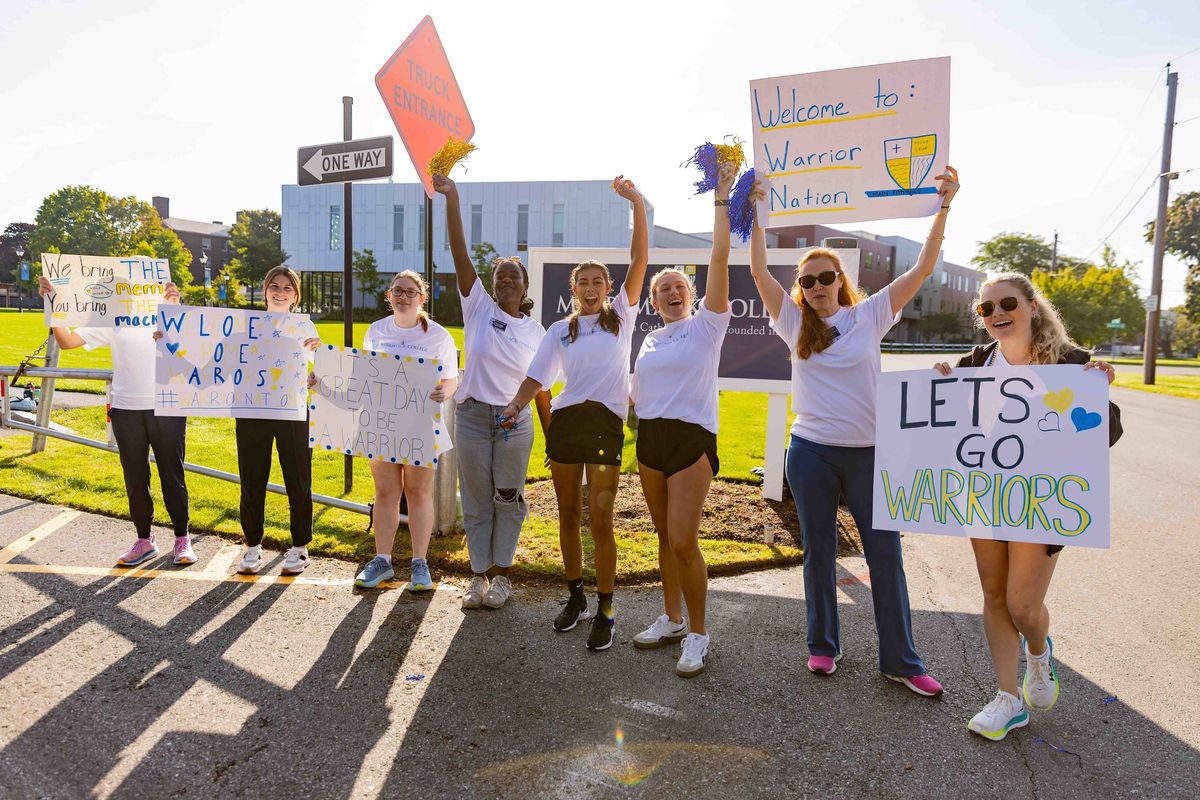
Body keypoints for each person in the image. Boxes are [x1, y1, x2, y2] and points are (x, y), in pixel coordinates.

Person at [748, 166, 960, 697]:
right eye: (807, 281)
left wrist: (944, 207)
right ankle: (823, 645)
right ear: (801, 288)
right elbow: (756, 273)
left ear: (841, 280)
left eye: (826, 278)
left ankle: (903, 661)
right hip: (811, 452)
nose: (817, 287)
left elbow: (925, 265)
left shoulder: (871, 314)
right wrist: (753, 211)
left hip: (870, 454)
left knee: (884, 555)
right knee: (818, 551)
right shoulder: (792, 323)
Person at [934, 272, 1122, 740]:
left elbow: (1104, 432)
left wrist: (1098, 392)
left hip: (1039, 499)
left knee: (1023, 603)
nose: (997, 314)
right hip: (982, 495)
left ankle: (1038, 652)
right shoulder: (975, 363)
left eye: (1007, 304)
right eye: (987, 308)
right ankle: (1007, 699)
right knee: (994, 595)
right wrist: (938, 383)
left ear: (1032, 306)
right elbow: (942, 421)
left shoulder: (1070, 364)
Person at [499, 175, 649, 651]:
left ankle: (606, 607)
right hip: (565, 424)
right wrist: (515, 404)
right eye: (582, 281)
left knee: (600, 518)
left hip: (604, 423)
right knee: (567, 513)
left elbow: (640, 259)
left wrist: (638, 206)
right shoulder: (560, 330)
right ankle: (576, 597)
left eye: (597, 281)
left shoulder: (620, 316)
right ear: (573, 287)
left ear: (608, 287)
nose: (589, 287)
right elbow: (537, 378)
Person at [629, 161, 735, 677]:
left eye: (678, 286)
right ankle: (670, 618)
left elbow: (719, 256)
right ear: (653, 302)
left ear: (690, 295)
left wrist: (721, 198)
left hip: (691, 439)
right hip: (649, 438)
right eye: (662, 288)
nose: (672, 291)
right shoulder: (649, 338)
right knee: (660, 535)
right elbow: (639, 389)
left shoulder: (706, 327)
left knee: (682, 539)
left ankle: (698, 632)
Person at [433, 173, 552, 610]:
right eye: (499, 277)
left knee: (508, 496)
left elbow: (540, 389)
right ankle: (477, 577)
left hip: (513, 424)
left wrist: (551, 436)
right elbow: (459, 250)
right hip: (471, 418)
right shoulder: (478, 306)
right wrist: (453, 197)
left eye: (512, 279)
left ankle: (503, 575)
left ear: (524, 287)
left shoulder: (537, 332)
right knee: (478, 498)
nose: (505, 283)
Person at [38, 274, 192, 566]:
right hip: (126, 408)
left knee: (172, 475)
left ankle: (182, 539)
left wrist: (175, 306)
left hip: (167, 407)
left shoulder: (165, 312)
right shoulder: (111, 319)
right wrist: (51, 302)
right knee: (135, 478)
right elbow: (68, 340)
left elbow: (189, 347)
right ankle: (144, 540)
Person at [353, 270, 459, 590]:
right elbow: (366, 376)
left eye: (410, 292)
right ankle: (382, 561)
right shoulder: (375, 331)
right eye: (398, 291)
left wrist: (446, 392)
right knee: (386, 492)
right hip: (382, 423)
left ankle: (419, 564)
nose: (403, 296)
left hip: (421, 424)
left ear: (422, 298)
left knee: (418, 491)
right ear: (389, 296)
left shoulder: (438, 336)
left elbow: (451, 380)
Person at [233, 267, 321, 576]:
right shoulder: (246, 325)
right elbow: (226, 358)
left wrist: (315, 370)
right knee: (252, 480)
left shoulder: (304, 326)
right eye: (274, 285)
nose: (280, 291)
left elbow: (319, 368)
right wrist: (170, 339)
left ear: (296, 295)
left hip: (293, 412)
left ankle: (299, 547)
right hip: (253, 411)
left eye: (287, 287)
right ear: (265, 289)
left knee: (298, 480)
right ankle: (253, 545)